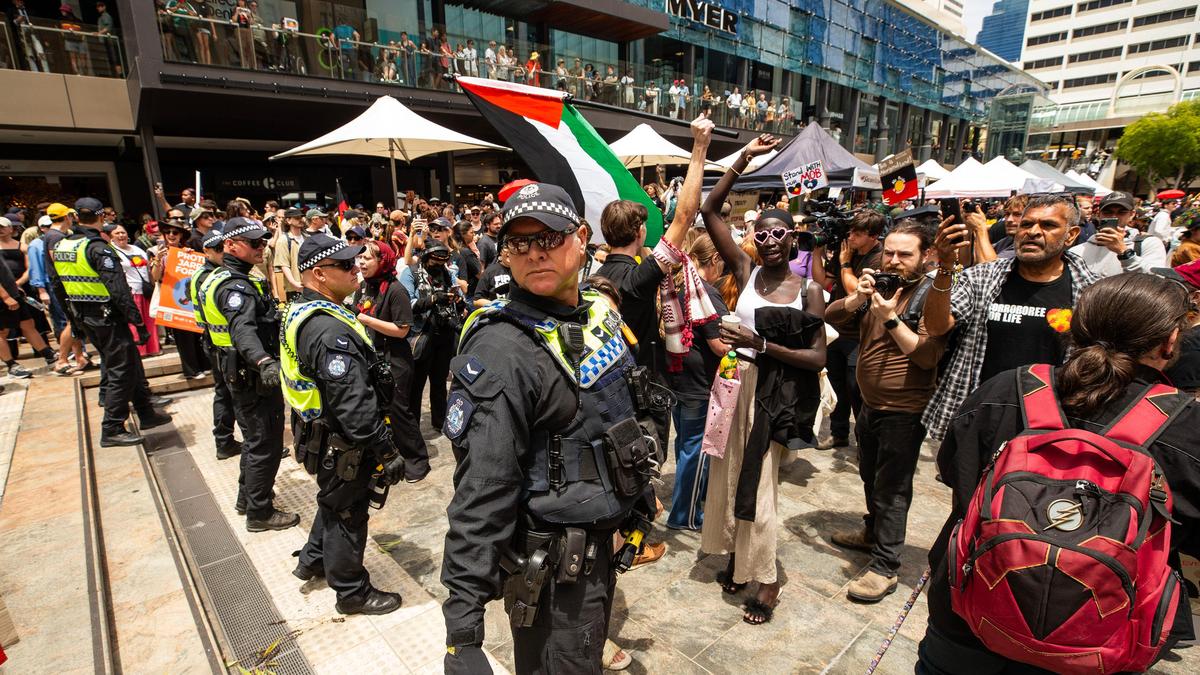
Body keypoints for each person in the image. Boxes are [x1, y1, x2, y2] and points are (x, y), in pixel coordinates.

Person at [916, 273, 1200, 673]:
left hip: (969, 618)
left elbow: (956, 475)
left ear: (1076, 325)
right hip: (1096, 645)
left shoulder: (1006, 390)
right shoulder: (1188, 430)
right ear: (1170, 341)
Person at [440, 182, 666, 674]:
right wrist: (464, 634)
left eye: (550, 237)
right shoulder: (502, 349)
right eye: (519, 242)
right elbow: (481, 491)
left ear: (582, 237)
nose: (534, 253)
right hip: (553, 569)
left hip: (600, 546)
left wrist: (639, 496)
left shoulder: (595, 314)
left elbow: (617, 417)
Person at [699, 133, 827, 626]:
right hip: (735, 383)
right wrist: (742, 161)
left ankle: (767, 578)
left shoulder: (809, 290)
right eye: (764, 233)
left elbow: (816, 359)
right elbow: (711, 211)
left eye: (781, 233)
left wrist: (762, 345)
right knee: (729, 475)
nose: (771, 240)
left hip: (776, 393)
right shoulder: (746, 268)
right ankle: (738, 555)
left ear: (793, 239)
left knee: (763, 483)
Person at [283, 234, 406, 616]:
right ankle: (351, 591)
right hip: (343, 441)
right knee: (348, 512)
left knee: (332, 499)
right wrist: (386, 450)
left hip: (320, 434)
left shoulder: (305, 309)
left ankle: (313, 558)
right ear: (318, 273)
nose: (356, 269)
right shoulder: (327, 330)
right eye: (346, 265)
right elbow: (354, 403)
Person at [825, 221, 947, 602]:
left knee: (893, 490)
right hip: (870, 404)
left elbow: (927, 355)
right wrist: (858, 298)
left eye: (904, 254)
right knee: (869, 476)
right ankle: (872, 531)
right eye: (890, 252)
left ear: (926, 255)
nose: (894, 260)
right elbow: (831, 317)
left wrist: (891, 318)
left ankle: (885, 566)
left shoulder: (931, 294)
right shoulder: (881, 285)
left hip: (904, 410)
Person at [922, 193, 1101, 443]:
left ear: (1070, 235)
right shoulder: (982, 277)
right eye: (1026, 224)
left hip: (1049, 428)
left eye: (1048, 225)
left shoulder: (1092, 293)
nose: (1033, 232)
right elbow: (936, 326)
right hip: (981, 418)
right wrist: (945, 267)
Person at [199, 217, 296, 531]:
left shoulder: (220, 277)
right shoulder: (234, 286)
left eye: (263, 241)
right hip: (251, 376)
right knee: (264, 444)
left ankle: (246, 498)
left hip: (236, 371)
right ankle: (259, 512)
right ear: (230, 245)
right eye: (254, 243)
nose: (262, 247)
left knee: (255, 441)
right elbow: (243, 331)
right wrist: (264, 361)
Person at [51, 198, 170, 447]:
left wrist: (73, 320)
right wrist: (137, 322)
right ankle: (112, 427)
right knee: (121, 369)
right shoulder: (97, 247)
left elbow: (57, 286)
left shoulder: (63, 245)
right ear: (101, 217)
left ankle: (145, 412)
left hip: (85, 315)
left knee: (129, 362)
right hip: (107, 316)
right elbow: (118, 289)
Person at [663, 233, 730, 531]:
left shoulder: (678, 284)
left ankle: (687, 500)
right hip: (697, 384)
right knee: (696, 449)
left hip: (678, 379)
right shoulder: (706, 292)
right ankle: (685, 515)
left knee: (686, 446)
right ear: (714, 259)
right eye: (723, 264)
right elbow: (719, 344)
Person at [352, 239, 429, 482]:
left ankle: (417, 460)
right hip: (372, 359)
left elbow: (402, 329)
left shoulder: (396, 290)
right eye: (360, 258)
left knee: (399, 412)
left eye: (368, 258)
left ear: (382, 261)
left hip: (395, 360)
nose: (362, 263)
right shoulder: (363, 287)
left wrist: (365, 320)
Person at [821, 210, 886, 449]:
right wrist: (818, 250)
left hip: (860, 336)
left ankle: (864, 441)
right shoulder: (846, 251)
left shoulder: (879, 259)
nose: (852, 237)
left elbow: (855, 292)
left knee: (856, 389)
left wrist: (845, 264)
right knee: (836, 385)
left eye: (858, 234)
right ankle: (838, 433)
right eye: (850, 232)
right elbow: (824, 282)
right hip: (837, 330)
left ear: (874, 236)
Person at [188, 224, 242, 461]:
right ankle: (231, 441)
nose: (223, 252)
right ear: (206, 251)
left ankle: (226, 440)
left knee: (228, 394)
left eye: (225, 247)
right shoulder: (209, 277)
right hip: (222, 344)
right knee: (233, 395)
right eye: (217, 248)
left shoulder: (215, 274)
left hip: (222, 343)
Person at [400, 241, 465, 431]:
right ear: (426, 258)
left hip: (444, 333)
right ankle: (412, 427)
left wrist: (457, 299)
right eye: (435, 262)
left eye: (442, 262)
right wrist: (433, 299)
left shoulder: (447, 273)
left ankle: (440, 421)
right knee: (417, 384)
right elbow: (407, 304)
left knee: (439, 381)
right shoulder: (411, 273)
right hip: (422, 334)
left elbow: (458, 295)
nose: (439, 266)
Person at [151, 212, 210, 379]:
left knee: (197, 332)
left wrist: (191, 257)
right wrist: (157, 260)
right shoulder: (158, 253)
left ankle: (204, 364)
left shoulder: (188, 252)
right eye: (168, 232)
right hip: (172, 300)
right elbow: (154, 278)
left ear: (181, 235)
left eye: (175, 232)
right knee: (182, 337)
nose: (171, 235)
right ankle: (191, 370)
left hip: (190, 299)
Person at [1070, 190, 1167, 277]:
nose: (1114, 217)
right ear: (1099, 214)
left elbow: (1157, 279)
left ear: (1131, 214)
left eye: (1121, 212)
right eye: (1108, 212)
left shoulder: (1149, 244)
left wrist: (1124, 252)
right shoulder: (1078, 250)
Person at [108, 223, 160, 357]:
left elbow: (149, 265)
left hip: (145, 290)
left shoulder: (137, 249)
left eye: (123, 232)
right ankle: (140, 350)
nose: (121, 236)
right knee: (135, 322)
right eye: (117, 233)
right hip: (130, 291)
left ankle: (153, 348)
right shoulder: (111, 251)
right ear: (111, 237)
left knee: (150, 320)